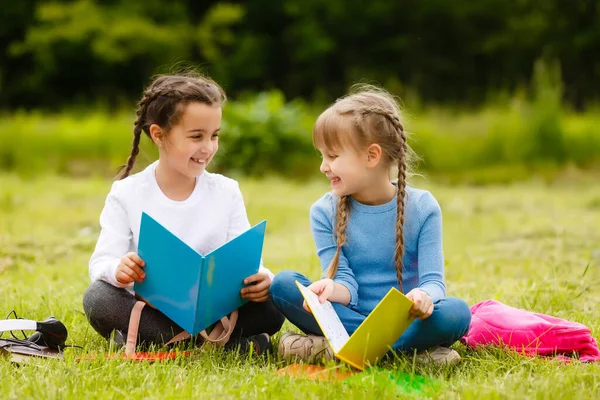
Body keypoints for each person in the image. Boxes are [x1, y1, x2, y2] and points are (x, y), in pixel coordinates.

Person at [83, 73, 284, 354]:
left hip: (217, 312)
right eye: (196, 136)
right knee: (98, 298)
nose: (208, 147)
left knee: (277, 298)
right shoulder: (127, 193)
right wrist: (119, 270)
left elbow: (248, 262)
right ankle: (224, 344)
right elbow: (101, 262)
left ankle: (160, 341)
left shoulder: (226, 191)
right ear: (159, 134)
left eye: (214, 135)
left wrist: (262, 279)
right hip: (154, 310)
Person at [271, 85, 471, 365]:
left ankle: (341, 349)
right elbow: (345, 284)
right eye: (322, 156)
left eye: (332, 156)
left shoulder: (423, 207)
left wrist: (423, 297)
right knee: (282, 284)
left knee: (457, 312)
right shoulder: (323, 211)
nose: (323, 166)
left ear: (371, 156)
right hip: (348, 316)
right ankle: (408, 355)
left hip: (405, 323)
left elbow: (434, 282)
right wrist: (329, 288)